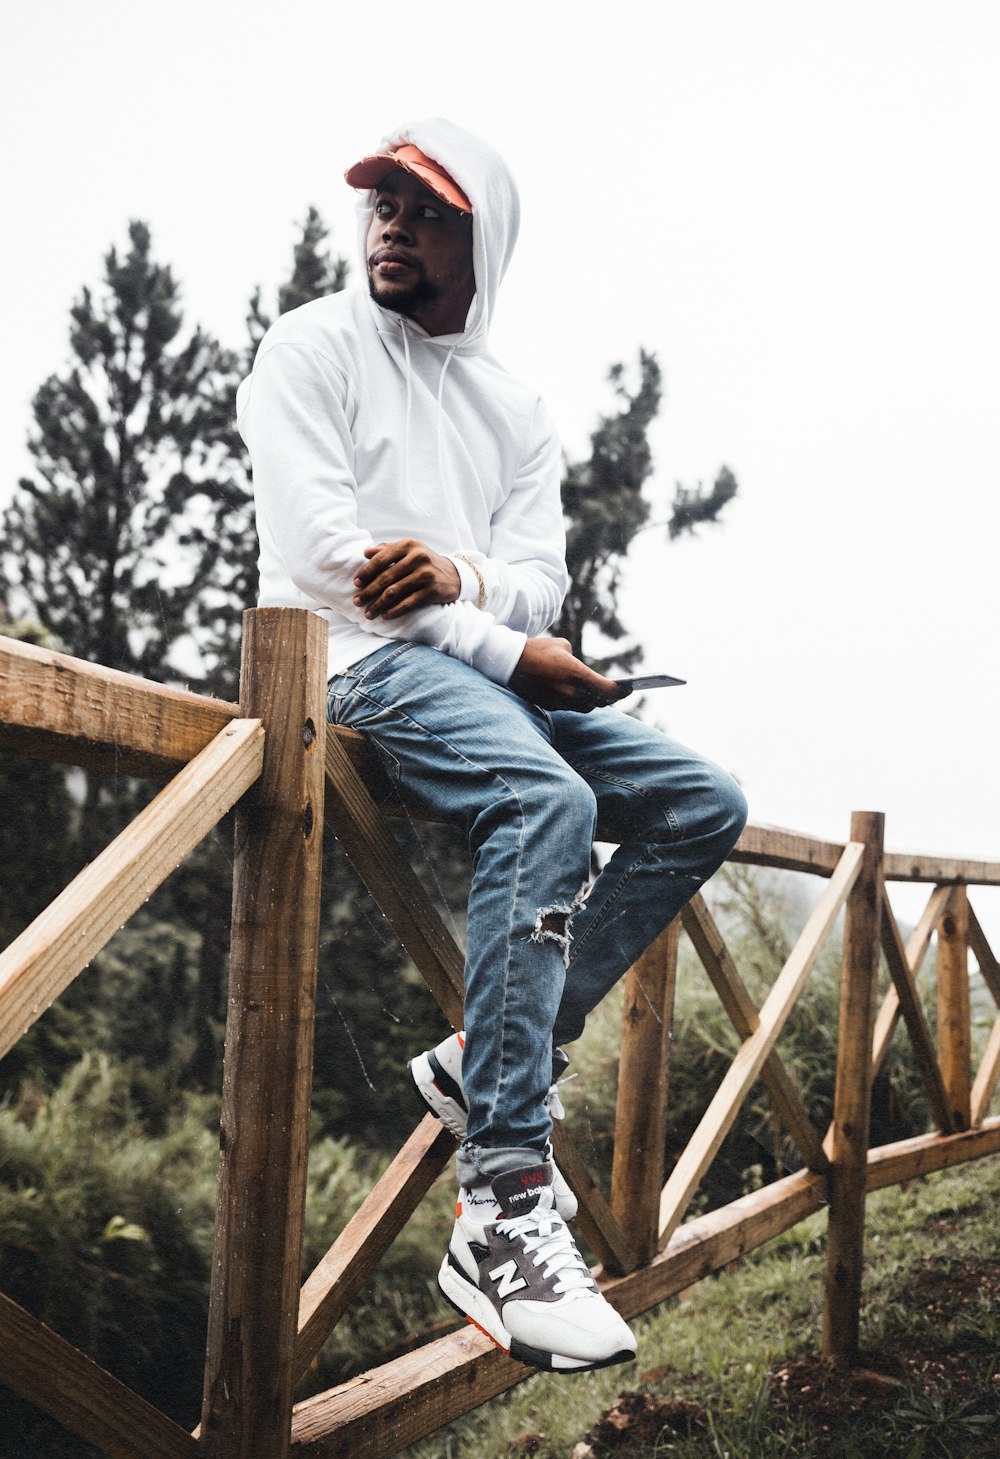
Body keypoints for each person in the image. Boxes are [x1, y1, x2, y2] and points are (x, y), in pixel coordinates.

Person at [236, 117, 747, 1373]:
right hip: (356, 670)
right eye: (383, 205)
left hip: (460, 664)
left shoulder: (510, 408)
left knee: (702, 800)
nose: (393, 226)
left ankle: (489, 1053)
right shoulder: (309, 346)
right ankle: (503, 1204)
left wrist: (461, 581)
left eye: (427, 210)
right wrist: (507, 649)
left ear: (484, 238)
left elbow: (537, 577)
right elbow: (322, 561)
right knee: (549, 802)